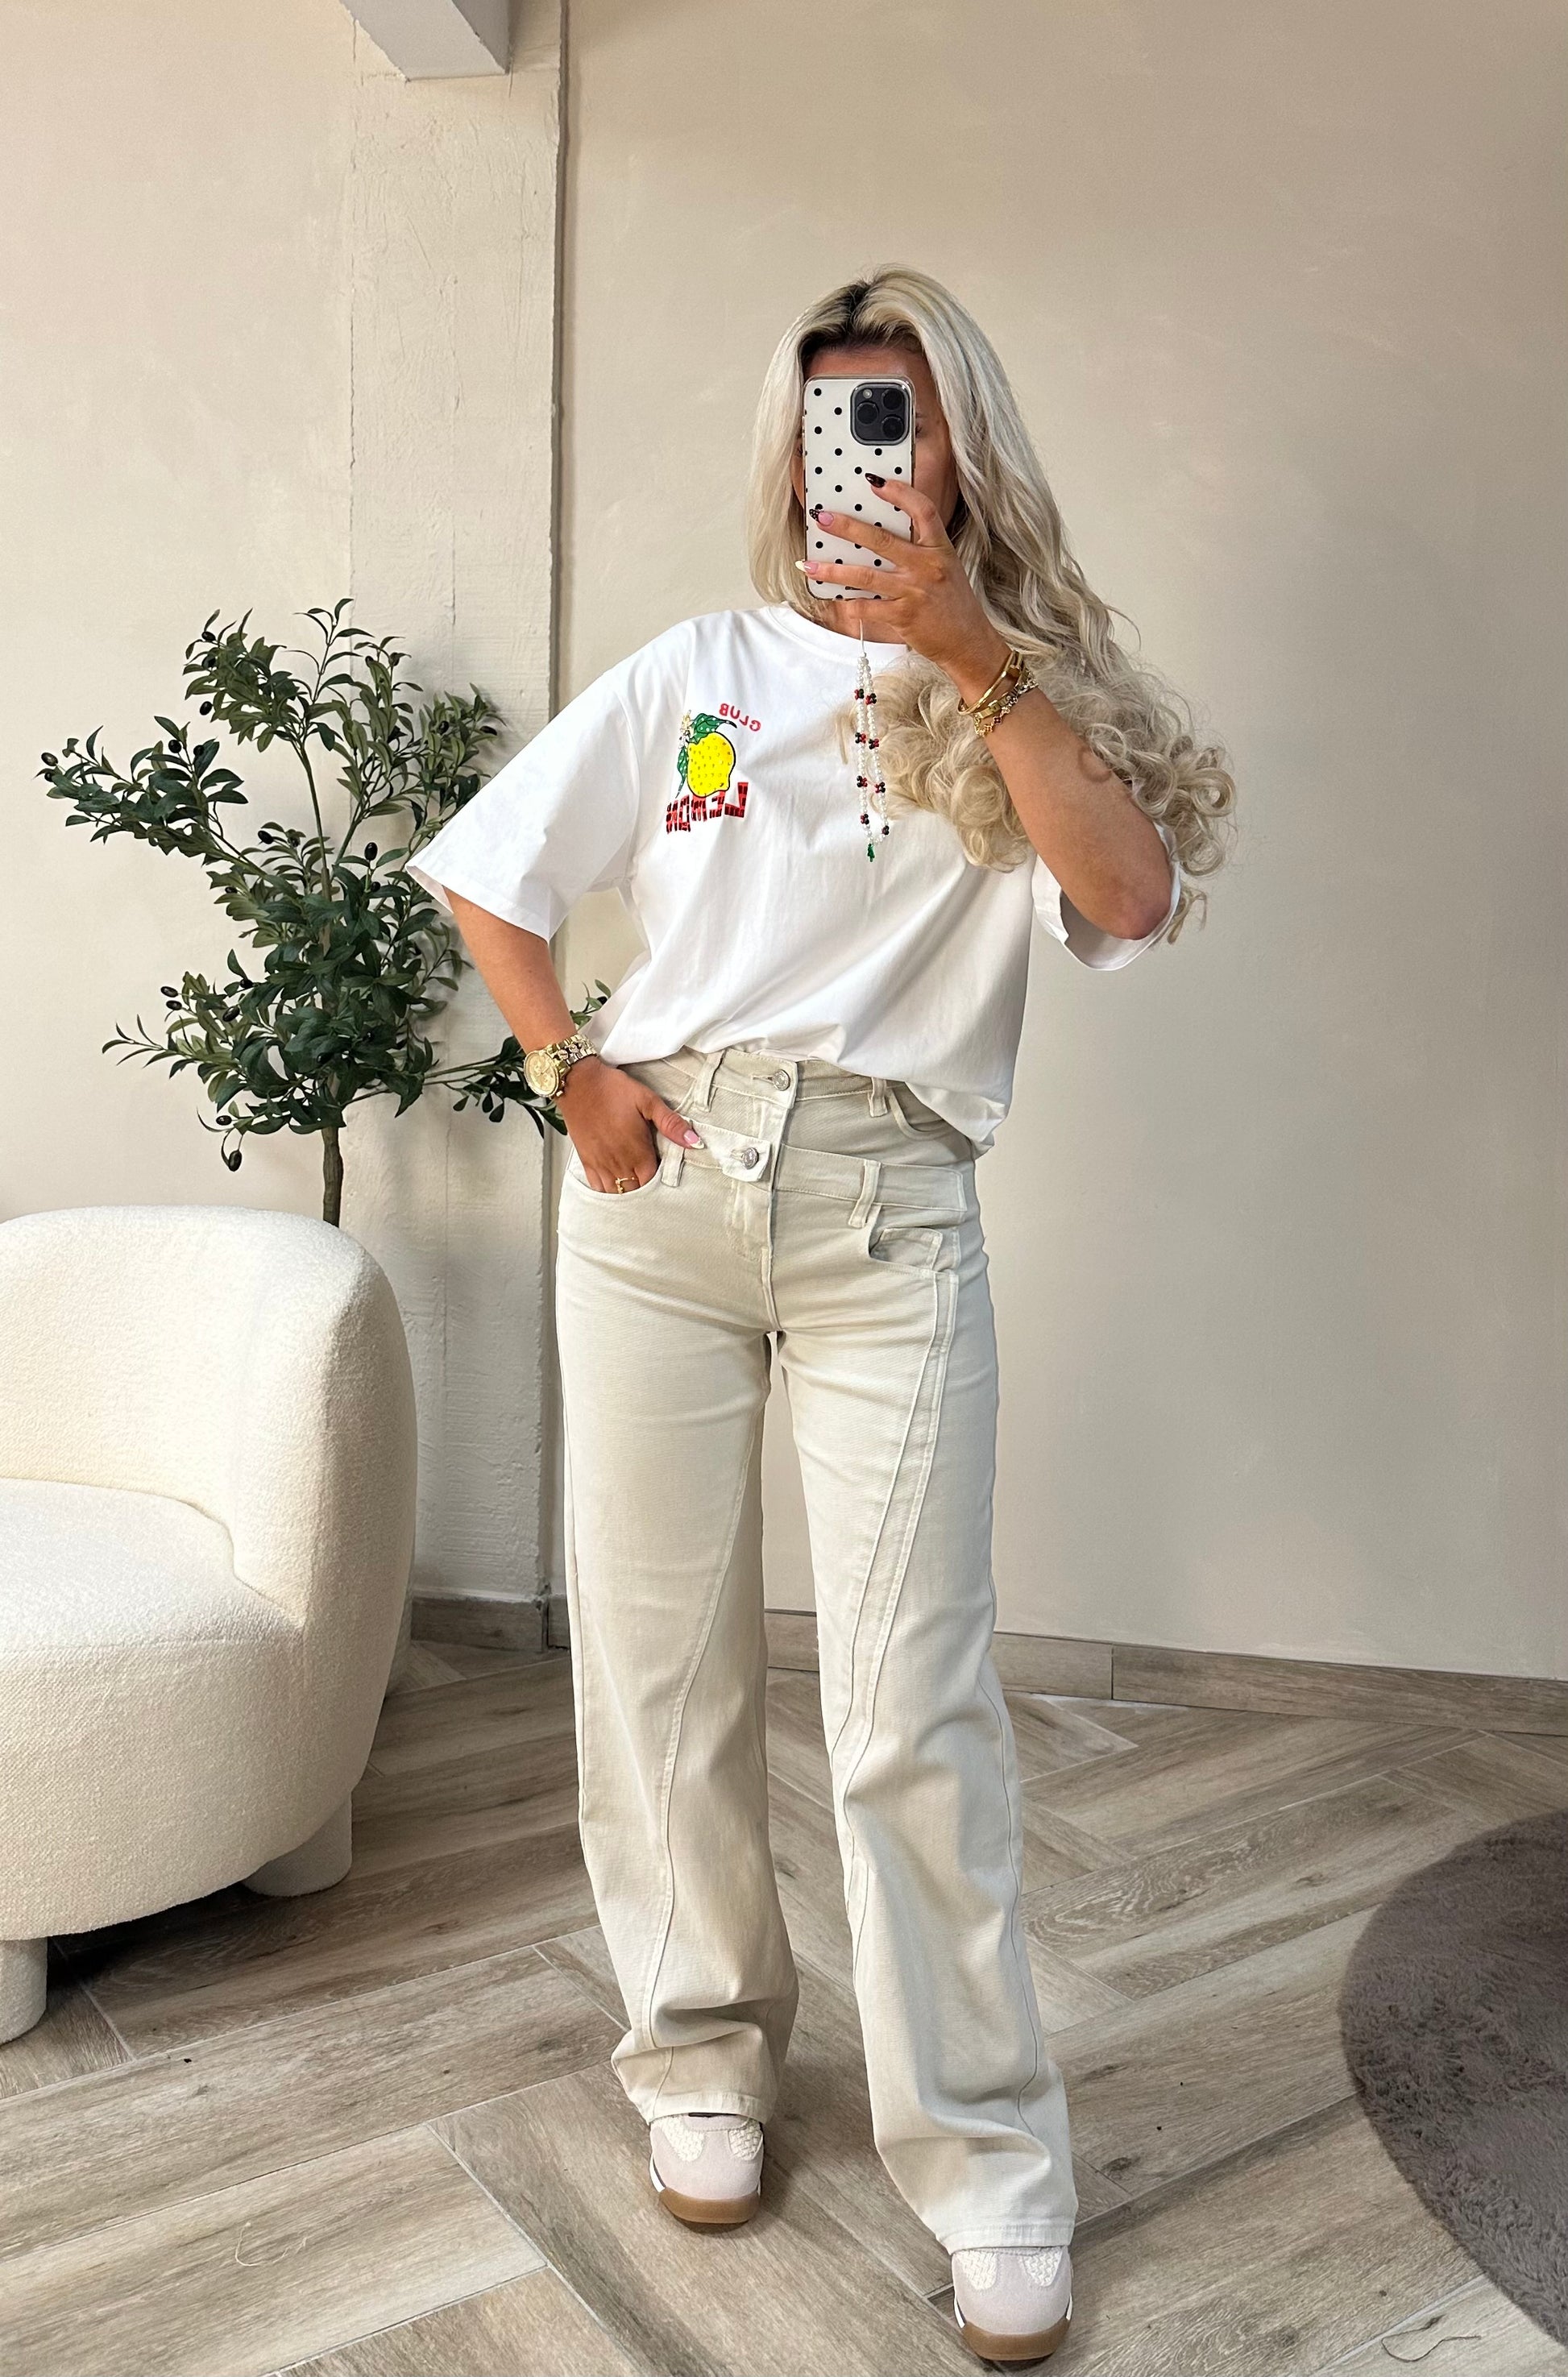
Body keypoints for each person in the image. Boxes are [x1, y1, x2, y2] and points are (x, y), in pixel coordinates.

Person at [410, 263, 1234, 2365]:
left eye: (892, 420)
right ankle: (698, 2056)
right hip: (661, 1193)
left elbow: (1128, 898)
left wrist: (968, 652)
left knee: (908, 1702)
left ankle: (986, 2154)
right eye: (822, 423)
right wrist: (566, 1069)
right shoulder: (701, 669)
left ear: (962, 451)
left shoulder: (1022, 686)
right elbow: (496, 870)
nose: (845, 459)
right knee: (658, 1668)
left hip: (888, 1207)